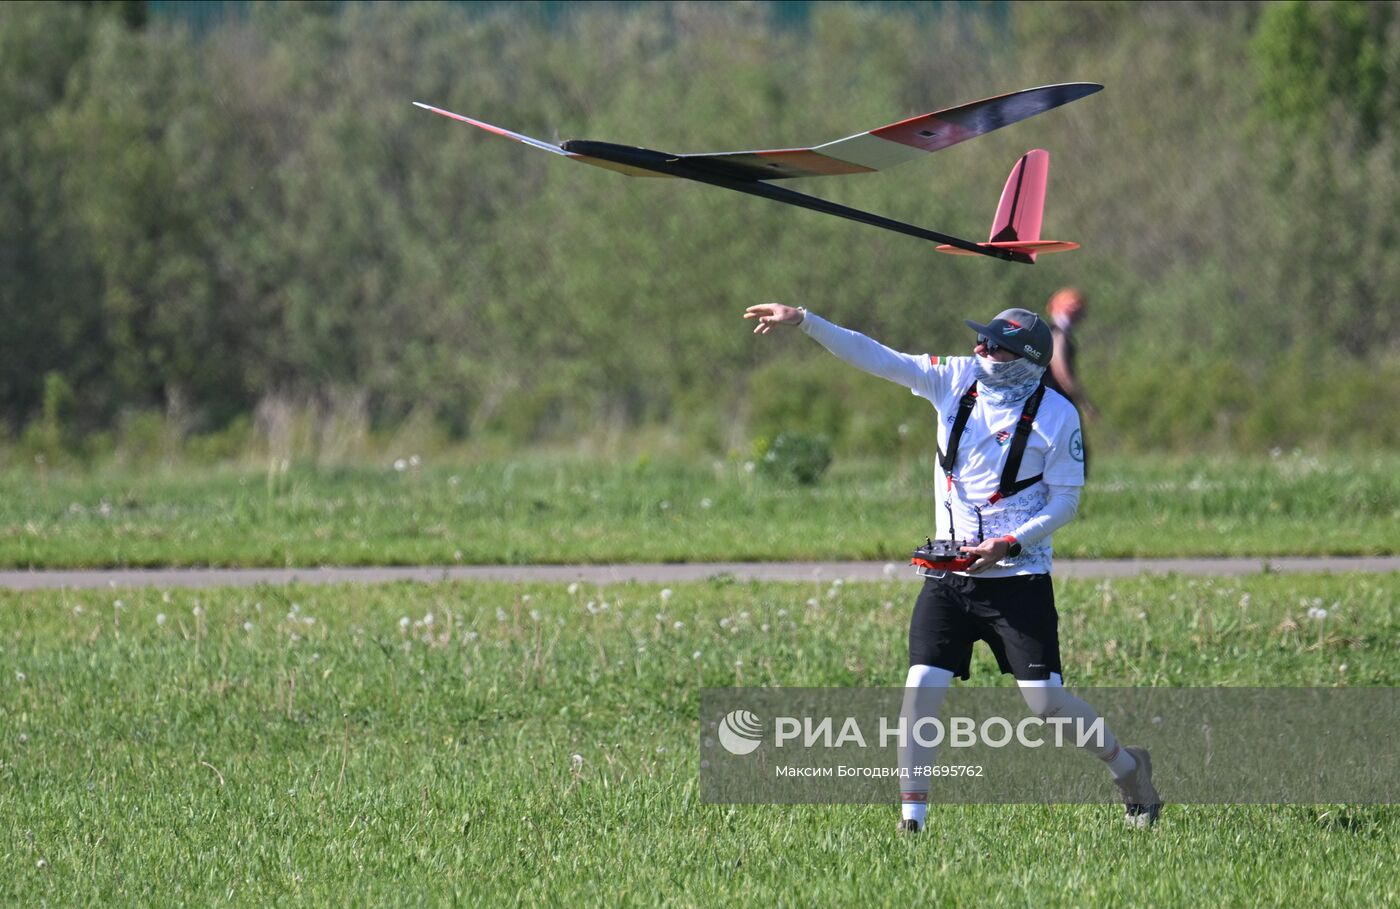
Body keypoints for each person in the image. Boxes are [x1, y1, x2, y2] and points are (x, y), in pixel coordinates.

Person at [742, 302, 1160, 832]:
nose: (980, 349)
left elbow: (1066, 503)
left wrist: (1010, 543)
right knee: (920, 689)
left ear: (1024, 360)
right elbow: (878, 358)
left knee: (1046, 704)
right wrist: (804, 320)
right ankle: (911, 821)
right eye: (980, 341)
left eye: (994, 346)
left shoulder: (1058, 416)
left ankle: (1129, 771)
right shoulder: (953, 379)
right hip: (947, 576)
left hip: (1018, 579)